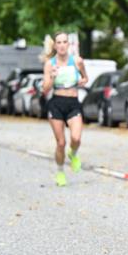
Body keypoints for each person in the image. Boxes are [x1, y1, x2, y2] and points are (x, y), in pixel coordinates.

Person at [41, 32, 88, 187]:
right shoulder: (50, 64)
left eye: (64, 42)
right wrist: (52, 77)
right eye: (59, 42)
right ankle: (60, 172)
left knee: (76, 138)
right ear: (55, 45)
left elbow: (85, 78)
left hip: (73, 103)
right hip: (56, 104)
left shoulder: (77, 61)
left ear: (69, 44)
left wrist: (82, 81)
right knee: (61, 143)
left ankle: (73, 153)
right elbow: (45, 89)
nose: (62, 45)